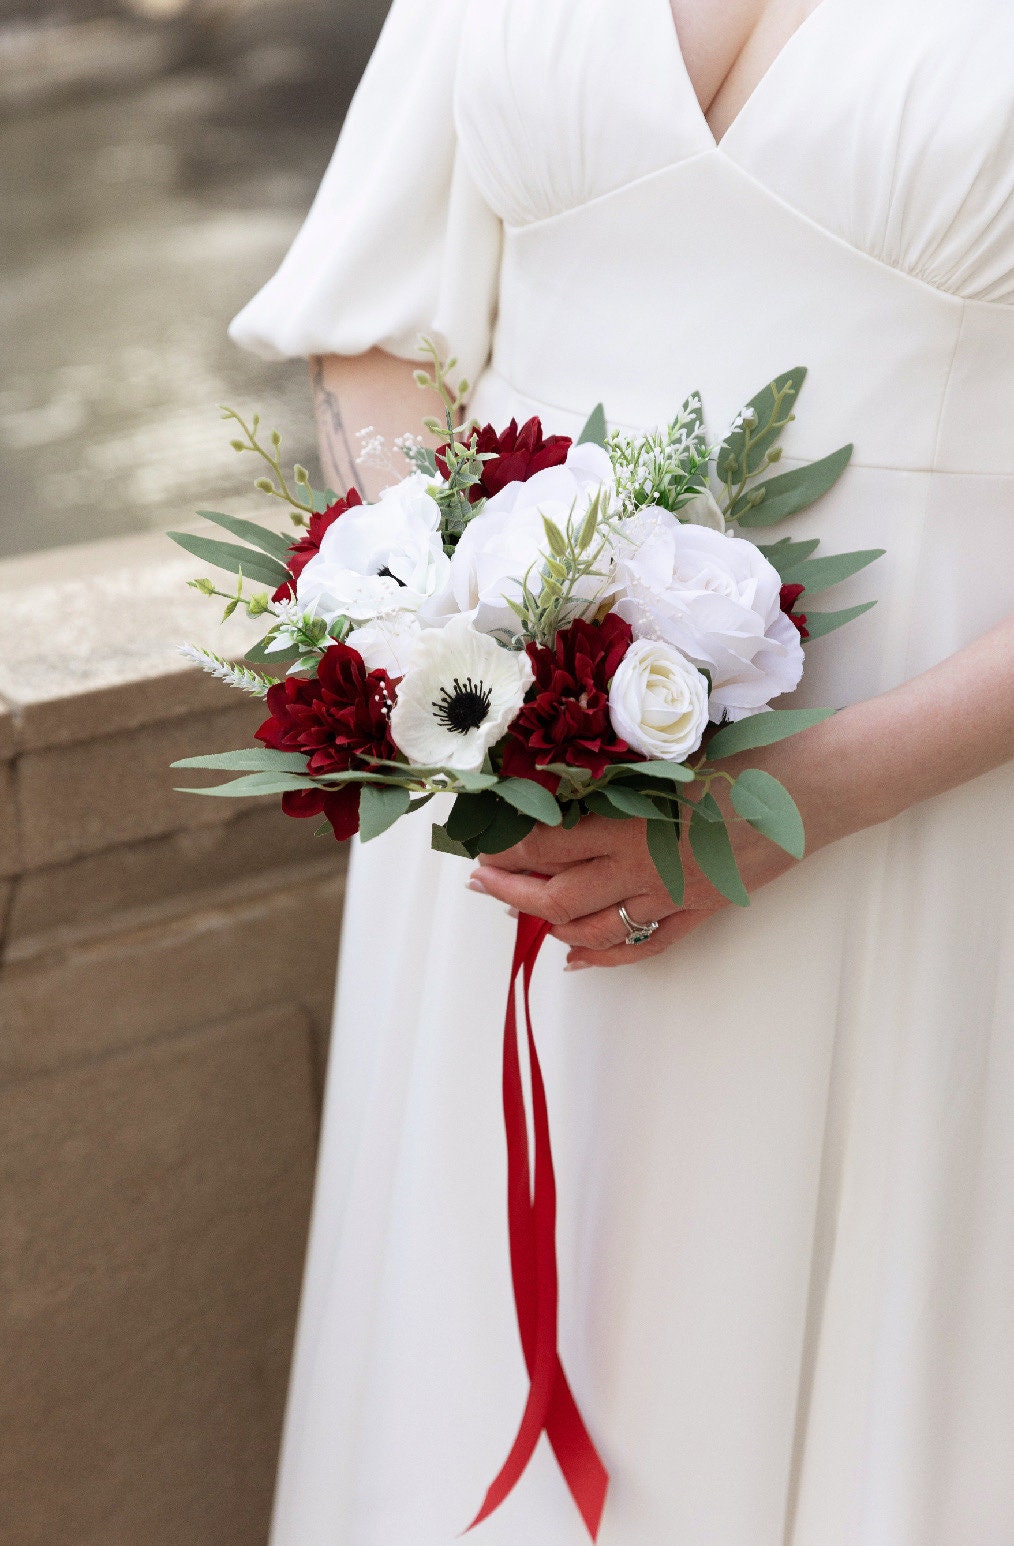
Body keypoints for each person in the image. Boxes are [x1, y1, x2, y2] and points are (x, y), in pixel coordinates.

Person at [229, 0, 1014, 1540]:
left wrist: (809, 798)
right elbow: (380, 331)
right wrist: (461, 626)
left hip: (911, 800)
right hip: (512, 785)